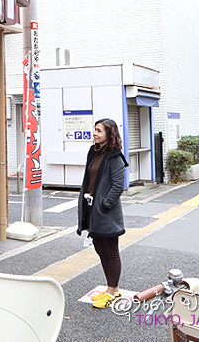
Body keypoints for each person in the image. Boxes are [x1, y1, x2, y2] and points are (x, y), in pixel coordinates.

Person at [77, 118, 128, 309]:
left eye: (99, 131)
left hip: (106, 212)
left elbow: (118, 186)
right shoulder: (94, 152)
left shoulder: (115, 157)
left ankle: (112, 291)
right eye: (95, 130)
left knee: (111, 251)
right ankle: (111, 289)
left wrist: (105, 205)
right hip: (92, 209)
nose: (95, 133)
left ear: (109, 133)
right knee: (100, 249)